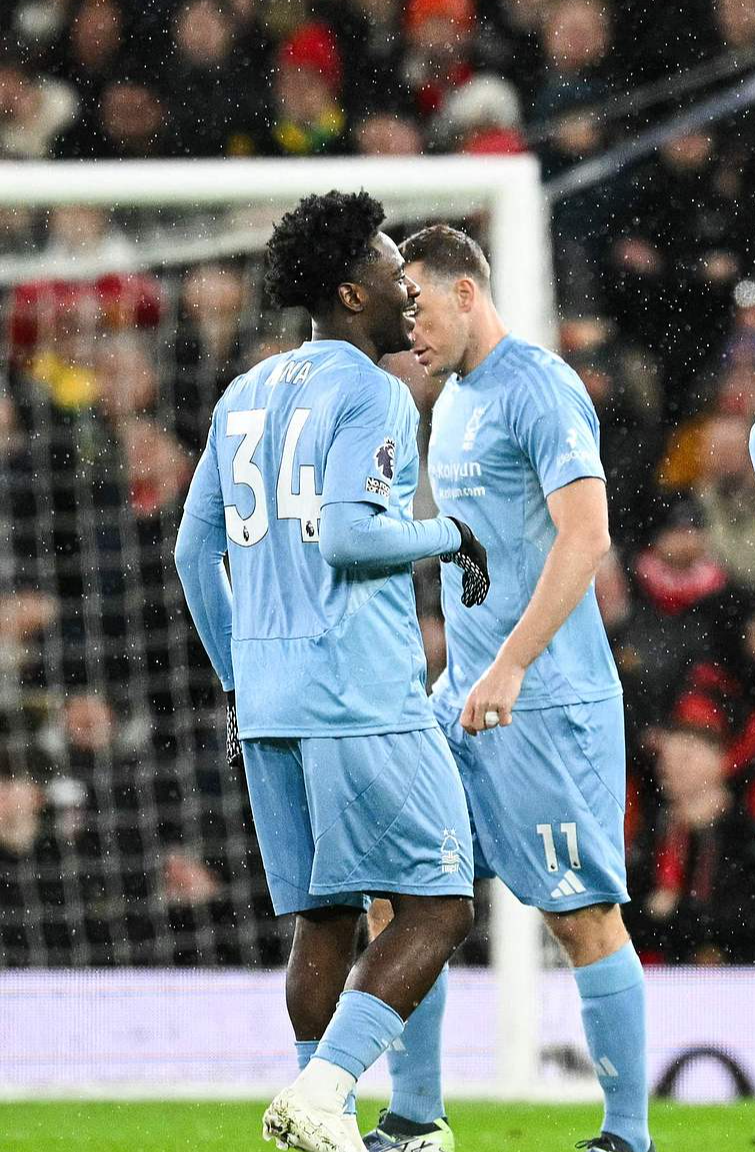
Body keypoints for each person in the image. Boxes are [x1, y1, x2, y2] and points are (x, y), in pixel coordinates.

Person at [173, 190, 486, 1152]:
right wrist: (450, 533)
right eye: (396, 272)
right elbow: (353, 537)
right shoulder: (372, 392)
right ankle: (325, 1091)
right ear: (354, 292)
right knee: (439, 903)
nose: (410, 290)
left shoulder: (246, 393)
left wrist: (237, 680)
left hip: (268, 702)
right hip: (358, 693)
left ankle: (328, 1119)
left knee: (325, 918)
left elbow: (194, 555)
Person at [358, 223, 650, 1152]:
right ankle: (416, 1119)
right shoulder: (455, 399)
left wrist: (513, 662)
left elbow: (586, 536)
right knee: (404, 895)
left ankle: (628, 1134)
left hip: (545, 699)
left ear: (465, 292)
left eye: (417, 307)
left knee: (579, 916)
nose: (410, 329)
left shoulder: (540, 386)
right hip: (465, 695)